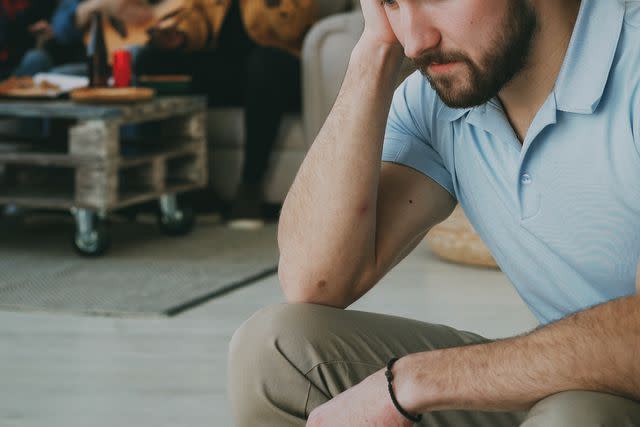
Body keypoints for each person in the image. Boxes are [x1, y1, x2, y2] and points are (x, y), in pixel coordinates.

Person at [228, 0, 640, 425]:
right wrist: (373, 53)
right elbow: (313, 280)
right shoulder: (440, 99)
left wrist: (413, 381)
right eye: (391, 3)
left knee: (578, 414)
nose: (414, 41)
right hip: (573, 387)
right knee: (277, 348)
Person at [135, 0, 316, 229]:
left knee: (264, 64)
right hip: (230, 72)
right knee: (150, 59)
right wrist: (182, 36)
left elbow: (290, 28)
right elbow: (198, 16)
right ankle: (177, 186)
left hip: (279, 69)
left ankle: (250, 187)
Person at [0, 0, 57, 79]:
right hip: (8, 69)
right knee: (37, 58)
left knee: (38, 59)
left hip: (25, 62)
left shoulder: (39, 4)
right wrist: (29, 30)